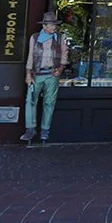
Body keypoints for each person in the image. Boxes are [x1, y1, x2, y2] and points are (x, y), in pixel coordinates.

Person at [21, 11, 68, 144]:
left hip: (52, 74)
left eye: (55, 25)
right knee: (30, 100)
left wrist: (61, 68)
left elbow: (64, 53)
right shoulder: (35, 38)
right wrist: (28, 73)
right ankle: (30, 129)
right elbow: (31, 55)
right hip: (37, 74)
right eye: (51, 25)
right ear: (44, 26)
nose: (54, 27)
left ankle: (45, 130)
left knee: (49, 102)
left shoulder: (59, 38)